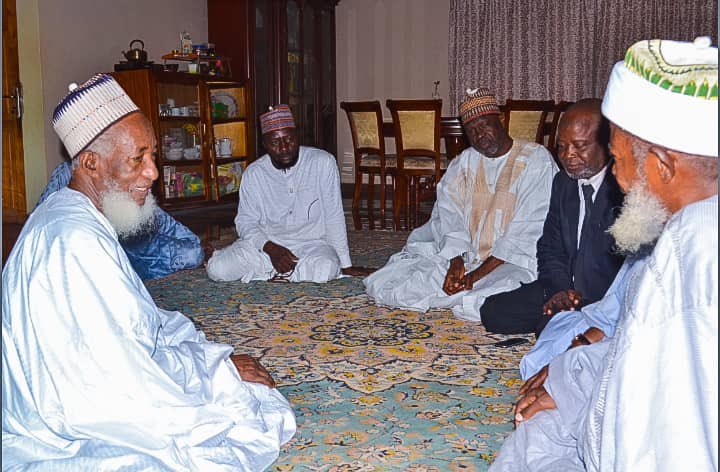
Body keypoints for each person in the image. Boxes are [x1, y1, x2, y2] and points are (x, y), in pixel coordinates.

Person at [2, 74, 296, 470]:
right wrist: (216, 372)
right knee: (246, 412)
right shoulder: (75, 239)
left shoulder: (73, 215)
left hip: (54, 392)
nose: (153, 173)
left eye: (153, 155)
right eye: (137, 158)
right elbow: (121, 381)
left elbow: (129, 325)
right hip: (65, 415)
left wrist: (198, 355)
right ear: (90, 163)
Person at [490, 37, 718, 471]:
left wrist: (570, 377)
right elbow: (628, 338)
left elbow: (667, 416)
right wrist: (566, 376)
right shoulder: (678, 231)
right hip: (597, 363)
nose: (617, 175)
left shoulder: (696, 250)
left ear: (662, 167)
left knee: (534, 440)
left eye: (615, 158)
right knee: (533, 430)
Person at [364, 88, 557, 321]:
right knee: (388, 284)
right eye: (472, 130)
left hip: (512, 262)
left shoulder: (536, 160)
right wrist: (456, 263)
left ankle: (465, 294)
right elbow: (448, 216)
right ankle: (459, 292)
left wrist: (474, 277)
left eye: (485, 124)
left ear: (502, 120)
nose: (480, 135)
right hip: (467, 258)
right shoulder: (464, 162)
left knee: (499, 297)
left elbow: (527, 233)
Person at [480, 99, 624, 336]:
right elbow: (550, 246)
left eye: (579, 146)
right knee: (494, 311)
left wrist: (583, 302)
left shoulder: (622, 188)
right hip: (564, 289)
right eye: (562, 146)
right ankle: (567, 321)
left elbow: (626, 270)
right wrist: (560, 290)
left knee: (549, 329)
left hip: (606, 299)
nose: (568, 155)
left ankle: (574, 325)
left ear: (608, 144)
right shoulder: (563, 182)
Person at [206, 105, 370, 282]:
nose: (284, 148)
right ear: (265, 145)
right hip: (266, 248)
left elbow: (333, 215)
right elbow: (245, 222)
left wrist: (346, 265)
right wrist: (271, 249)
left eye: (289, 139)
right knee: (217, 270)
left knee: (326, 269)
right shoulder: (254, 174)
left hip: (312, 246)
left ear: (297, 136)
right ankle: (290, 272)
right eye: (275, 142)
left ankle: (273, 273)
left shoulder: (323, 162)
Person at [35, 160, 204, 280]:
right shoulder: (68, 173)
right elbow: (39, 229)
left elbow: (190, 245)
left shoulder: (136, 181)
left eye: (152, 155)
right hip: (85, 254)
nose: (153, 173)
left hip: (130, 245)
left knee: (192, 252)